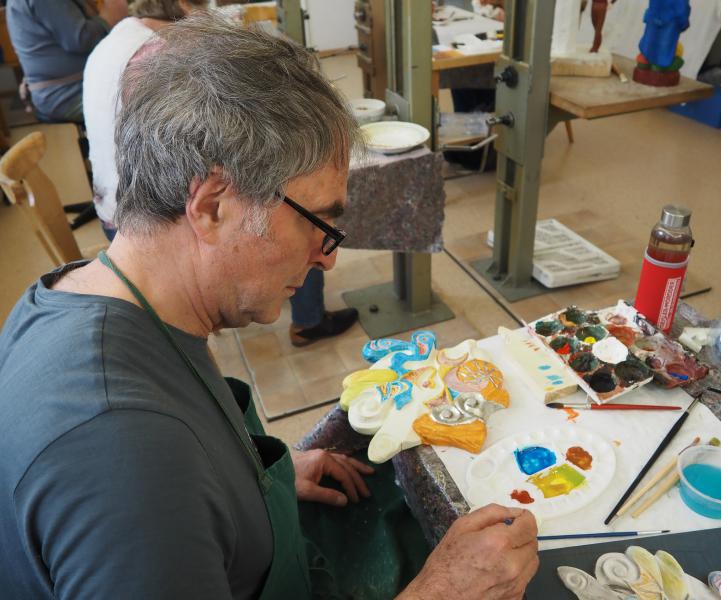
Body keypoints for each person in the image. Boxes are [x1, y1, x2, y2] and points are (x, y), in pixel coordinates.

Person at [0, 13, 539, 600]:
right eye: (318, 223)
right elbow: (150, 504)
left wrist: (252, 482)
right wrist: (441, 591)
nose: (328, 259)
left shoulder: (83, 293)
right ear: (211, 206)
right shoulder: (128, 462)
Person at [83, 0, 357, 346]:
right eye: (206, 5)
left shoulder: (117, 40)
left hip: (121, 210)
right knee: (290, 194)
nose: (329, 261)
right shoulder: (161, 57)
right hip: (144, 214)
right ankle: (309, 320)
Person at [83, 0, 209, 241]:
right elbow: (192, 144)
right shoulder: (157, 54)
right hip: (138, 228)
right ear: (184, 5)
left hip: (111, 209)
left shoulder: (119, 38)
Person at [6, 0, 128, 122]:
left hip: (61, 90)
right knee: (135, 102)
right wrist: (108, 18)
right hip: (66, 93)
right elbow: (81, 38)